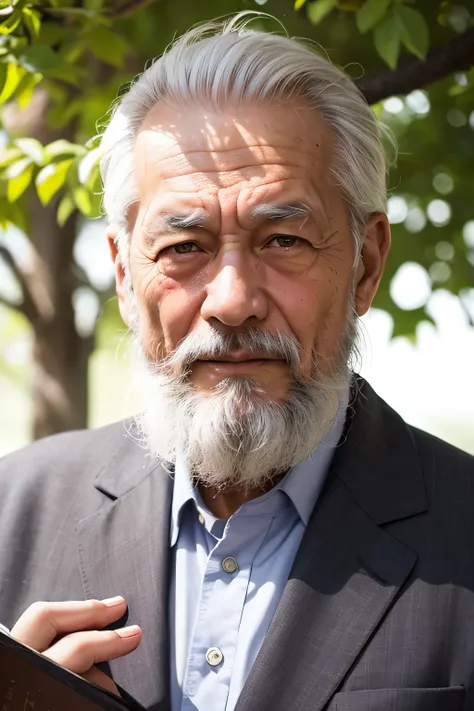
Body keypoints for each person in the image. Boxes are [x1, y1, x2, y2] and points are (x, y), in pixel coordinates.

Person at [1, 13, 474, 711]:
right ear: (126, 278)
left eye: (283, 239)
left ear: (367, 264)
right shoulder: (11, 514)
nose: (232, 301)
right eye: (183, 247)